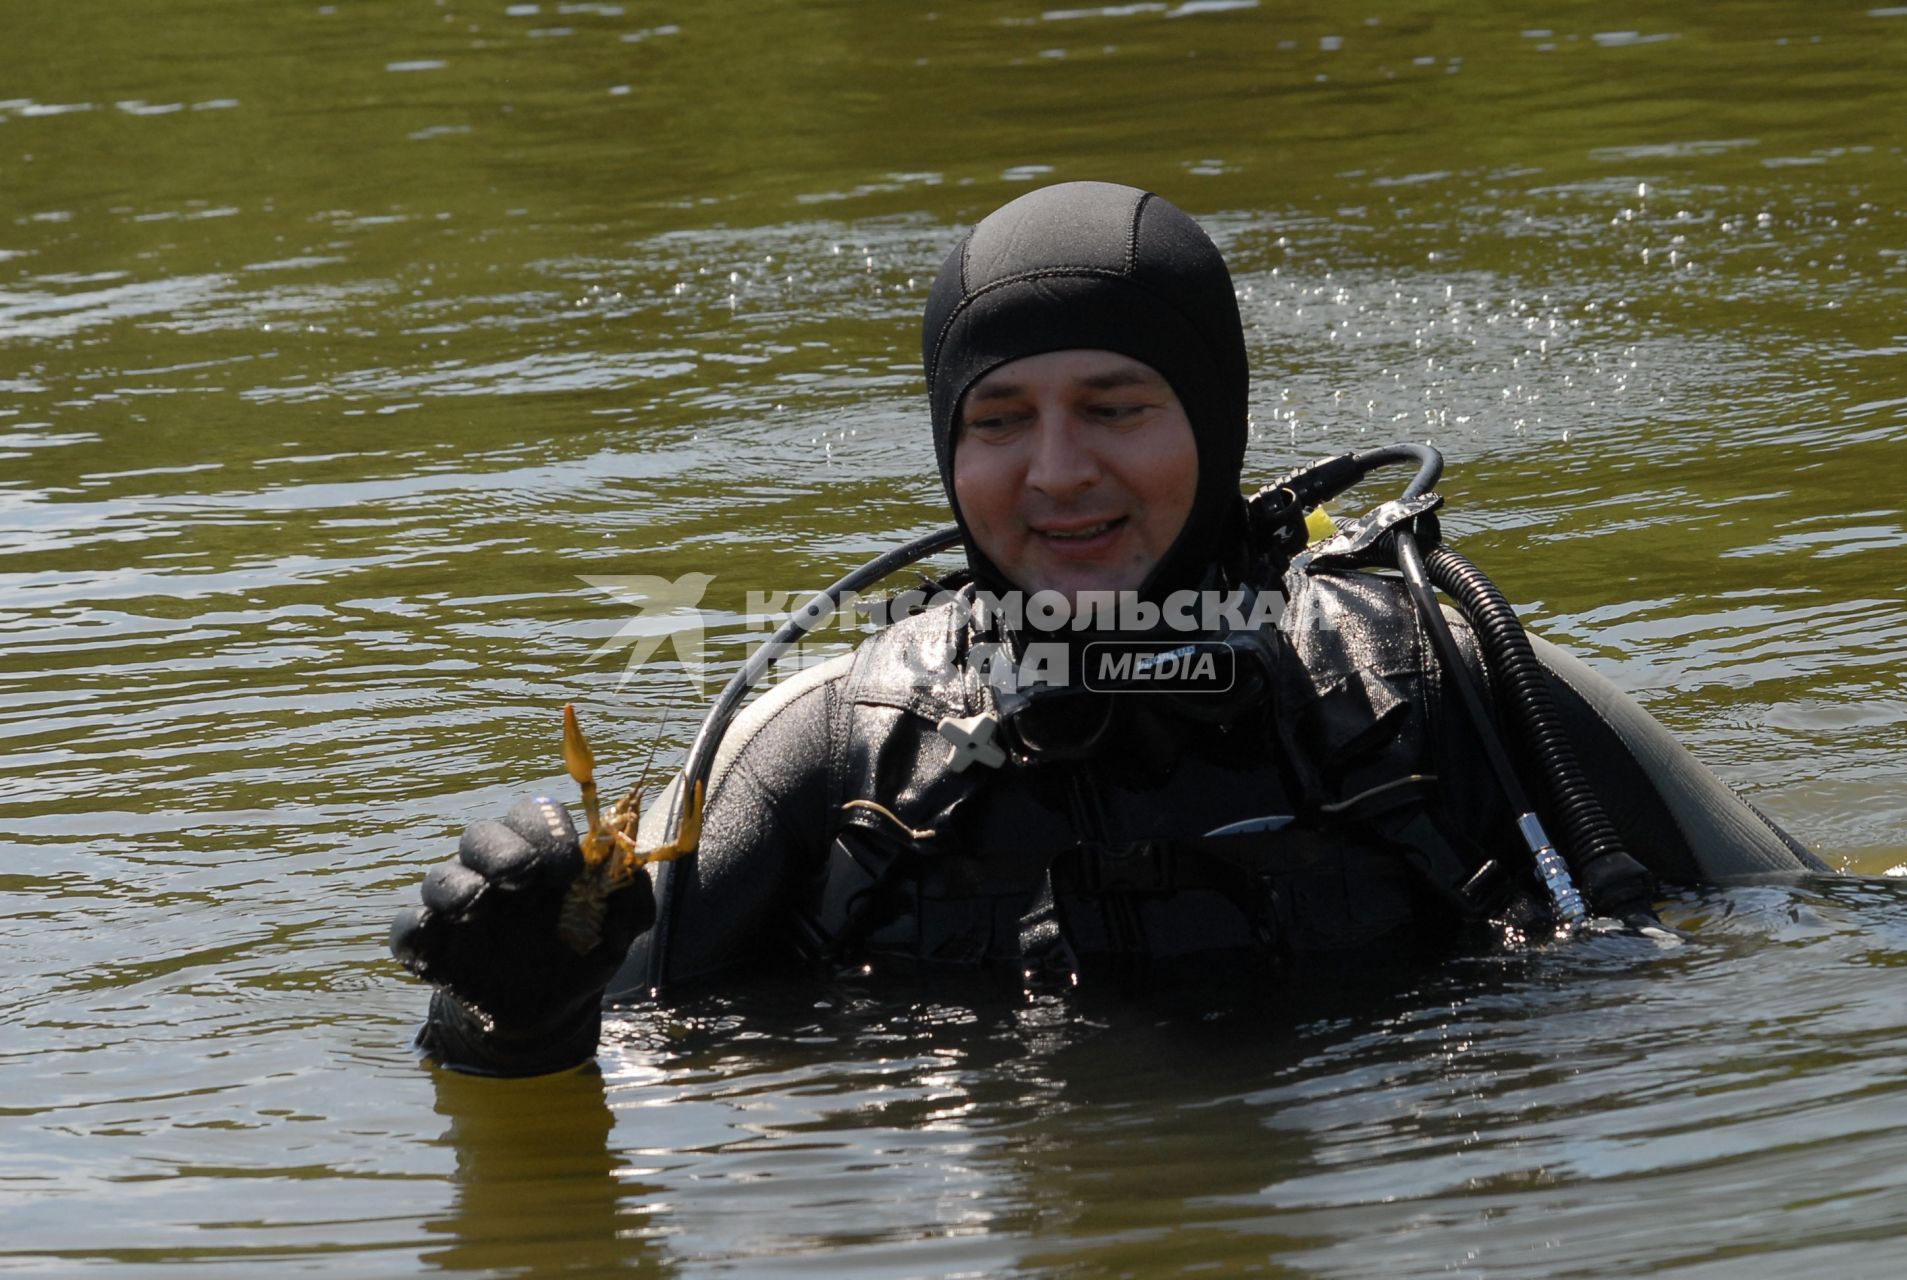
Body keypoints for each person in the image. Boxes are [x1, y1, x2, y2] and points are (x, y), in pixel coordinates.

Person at [390, 181, 1824, 1076]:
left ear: (1215, 420)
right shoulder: (831, 749)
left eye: (1117, 409)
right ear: (947, 456)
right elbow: (578, 1070)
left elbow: (1815, 943)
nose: (1058, 473)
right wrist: (514, 1009)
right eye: (1000, 422)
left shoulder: (1457, 678)